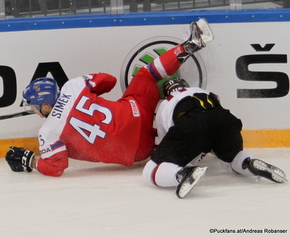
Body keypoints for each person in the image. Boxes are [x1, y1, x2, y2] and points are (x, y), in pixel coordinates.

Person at [5, 19, 212, 177]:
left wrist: (31, 161)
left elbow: (56, 166)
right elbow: (109, 81)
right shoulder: (73, 87)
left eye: (35, 107)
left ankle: (202, 142)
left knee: (168, 137)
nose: (33, 111)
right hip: (135, 112)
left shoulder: (48, 132)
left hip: (137, 151)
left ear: (47, 106)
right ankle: (191, 44)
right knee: (147, 74)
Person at [142, 44, 288, 199]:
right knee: (230, 159)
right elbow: (211, 119)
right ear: (186, 86)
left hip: (192, 125)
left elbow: (165, 144)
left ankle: (181, 174)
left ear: (167, 93)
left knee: (150, 170)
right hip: (226, 120)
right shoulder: (202, 91)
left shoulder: (165, 104)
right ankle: (248, 162)